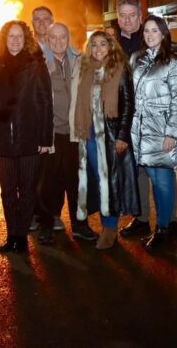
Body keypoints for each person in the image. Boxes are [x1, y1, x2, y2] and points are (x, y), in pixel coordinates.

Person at [0, 20, 53, 254]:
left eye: (19, 36)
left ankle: (21, 236)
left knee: (28, 190)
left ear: (26, 39)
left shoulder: (36, 65)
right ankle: (12, 234)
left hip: (29, 139)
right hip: (2, 141)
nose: (14, 40)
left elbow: (45, 102)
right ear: (4, 39)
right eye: (10, 36)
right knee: (8, 191)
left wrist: (45, 139)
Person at [71, 30, 137, 250]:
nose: (98, 48)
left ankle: (110, 229)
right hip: (88, 135)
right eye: (94, 45)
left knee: (109, 181)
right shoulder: (86, 70)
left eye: (103, 44)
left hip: (110, 135)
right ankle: (103, 224)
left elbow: (128, 106)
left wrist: (122, 136)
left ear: (111, 47)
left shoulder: (120, 69)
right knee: (97, 182)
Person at [132, 15, 177, 250]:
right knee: (153, 180)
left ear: (164, 33)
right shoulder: (138, 59)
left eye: (155, 31)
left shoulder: (173, 62)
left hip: (162, 131)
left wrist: (172, 134)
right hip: (142, 131)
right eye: (146, 31)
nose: (150, 35)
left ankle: (163, 229)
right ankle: (164, 228)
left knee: (162, 183)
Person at [37, 22, 94, 243]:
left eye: (63, 37)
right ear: (48, 39)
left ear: (68, 38)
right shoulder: (40, 63)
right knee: (48, 183)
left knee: (77, 182)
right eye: (54, 38)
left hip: (75, 132)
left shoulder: (80, 60)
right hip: (51, 133)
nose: (58, 42)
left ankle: (80, 224)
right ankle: (47, 225)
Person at [115, 0, 155, 239]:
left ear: (140, 16)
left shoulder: (150, 39)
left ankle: (169, 223)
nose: (128, 19)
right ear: (118, 17)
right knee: (136, 169)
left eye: (132, 15)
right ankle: (141, 219)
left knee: (160, 173)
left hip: (152, 115)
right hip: (125, 116)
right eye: (123, 15)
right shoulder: (112, 45)